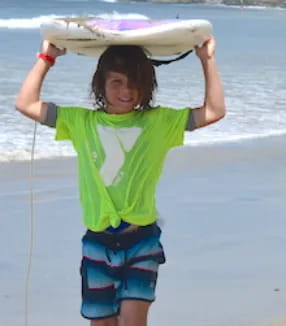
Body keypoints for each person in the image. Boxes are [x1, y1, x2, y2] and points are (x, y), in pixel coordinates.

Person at [15, 36, 225, 325]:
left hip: (141, 242)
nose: (127, 91)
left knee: (132, 321)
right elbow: (25, 103)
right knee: (101, 322)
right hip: (96, 243)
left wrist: (207, 59)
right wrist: (47, 58)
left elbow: (214, 111)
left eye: (135, 83)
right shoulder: (80, 122)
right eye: (117, 82)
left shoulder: (159, 122)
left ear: (147, 86)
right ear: (100, 84)